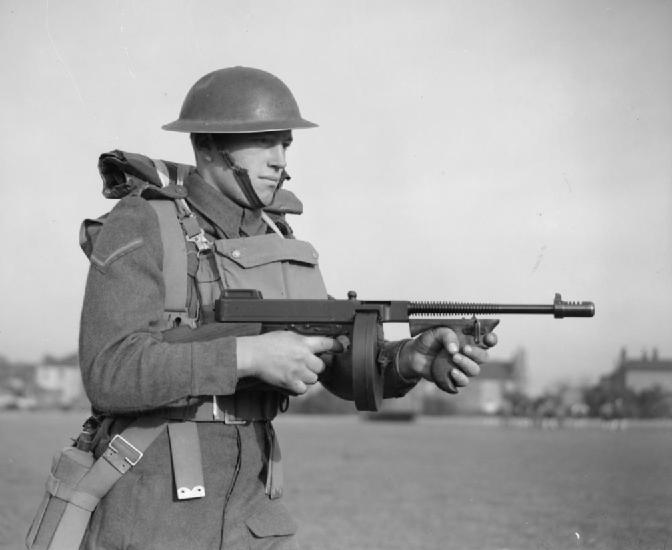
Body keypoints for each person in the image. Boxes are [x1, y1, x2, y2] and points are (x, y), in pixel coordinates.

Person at [77, 66, 497, 550]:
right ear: (209, 144)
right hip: (155, 518)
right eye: (263, 142)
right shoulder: (143, 224)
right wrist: (251, 357)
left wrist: (410, 359)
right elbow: (109, 371)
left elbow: (336, 359)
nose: (281, 160)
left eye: (286, 144)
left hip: (254, 518)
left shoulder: (278, 238)